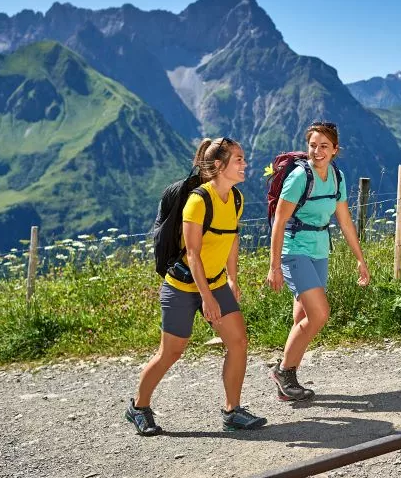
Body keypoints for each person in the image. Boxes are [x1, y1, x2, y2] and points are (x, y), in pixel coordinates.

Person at [126, 137, 266, 435]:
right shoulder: (198, 200)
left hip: (215, 283)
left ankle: (232, 411)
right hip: (181, 287)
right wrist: (207, 298)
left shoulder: (236, 199)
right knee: (171, 353)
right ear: (219, 165)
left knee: (238, 343)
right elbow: (192, 254)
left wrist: (232, 278)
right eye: (239, 159)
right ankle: (138, 407)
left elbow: (231, 239)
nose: (245, 164)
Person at [267, 121, 371, 401]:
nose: (317, 151)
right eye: (313, 145)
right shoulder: (300, 177)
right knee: (320, 314)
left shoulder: (337, 176)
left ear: (335, 150)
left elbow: (345, 221)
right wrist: (274, 266)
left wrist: (360, 259)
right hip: (294, 249)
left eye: (324, 146)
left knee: (302, 317)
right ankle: (284, 372)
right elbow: (279, 221)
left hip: (319, 250)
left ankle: (287, 384)